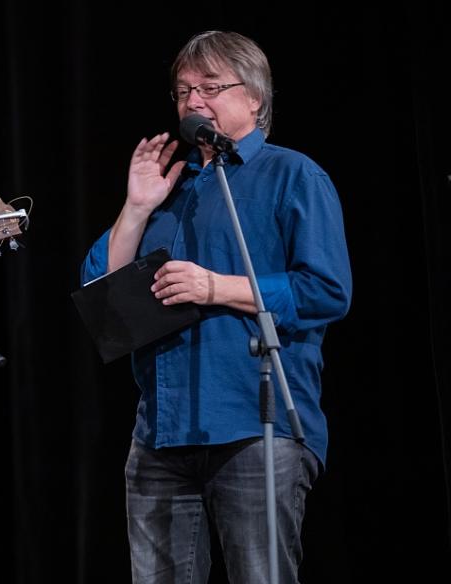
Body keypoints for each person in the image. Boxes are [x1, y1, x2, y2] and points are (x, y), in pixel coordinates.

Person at [80, 31, 351, 583]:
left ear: (254, 97)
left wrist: (216, 288)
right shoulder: (170, 189)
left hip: (257, 426)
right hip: (161, 433)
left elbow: (326, 290)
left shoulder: (293, 175)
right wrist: (135, 209)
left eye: (210, 87)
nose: (193, 102)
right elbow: (100, 292)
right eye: (182, 92)